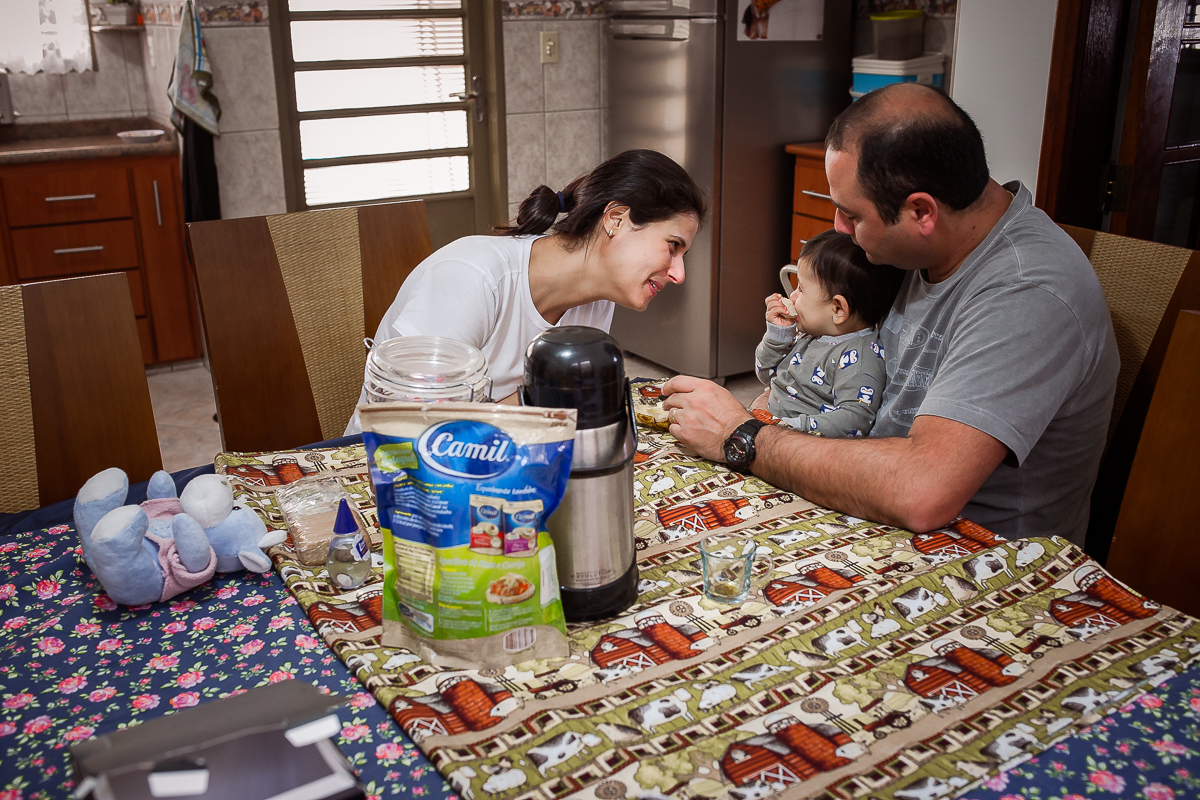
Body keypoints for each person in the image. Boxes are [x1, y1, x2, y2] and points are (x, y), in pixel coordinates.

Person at [661, 83, 1119, 546]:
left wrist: (742, 434)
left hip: (971, 549)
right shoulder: (922, 249)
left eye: (852, 215)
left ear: (921, 212)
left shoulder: (1027, 293)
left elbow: (921, 492)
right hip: (868, 498)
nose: (839, 228)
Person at [345, 149, 706, 433]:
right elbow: (410, 426)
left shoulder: (597, 302)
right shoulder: (471, 276)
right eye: (672, 245)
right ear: (616, 219)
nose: (679, 275)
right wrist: (546, 400)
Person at [753, 229, 903, 437]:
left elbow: (854, 420)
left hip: (800, 442)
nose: (793, 296)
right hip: (770, 427)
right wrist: (778, 335)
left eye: (801, 289)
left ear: (838, 309)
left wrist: (789, 426)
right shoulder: (811, 331)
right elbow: (766, 374)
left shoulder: (859, 358)